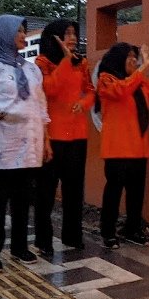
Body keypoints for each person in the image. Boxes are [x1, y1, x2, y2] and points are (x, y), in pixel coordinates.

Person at [0, 15, 51, 272]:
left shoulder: (30, 69)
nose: (23, 36)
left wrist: (46, 141)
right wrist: (3, 115)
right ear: (3, 34)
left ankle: (19, 247)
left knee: (22, 200)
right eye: (18, 31)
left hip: (28, 148)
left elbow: (41, 106)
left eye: (24, 31)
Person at [96, 42, 149, 248]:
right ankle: (108, 231)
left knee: (136, 193)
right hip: (117, 149)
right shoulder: (106, 80)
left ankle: (132, 229)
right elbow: (121, 91)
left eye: (135, 57)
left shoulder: (138, 83)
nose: (134, 60)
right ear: (118, 59)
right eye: (130, 57)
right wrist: (142, 68)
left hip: (138, 149)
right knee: (114, 192)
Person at [34, 19, 93, 255]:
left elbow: (90, 91)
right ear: (55, 37)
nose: (73, 38)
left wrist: (84, 102)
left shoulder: (82, 63)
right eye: (67, 33)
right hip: (52, 136)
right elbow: (48, 89)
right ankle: (43, 239)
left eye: (74, 33)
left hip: (77, 135)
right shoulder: (42, 63)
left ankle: (72, 235)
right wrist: (66, 62)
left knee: (74, 190)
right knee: (46, 192)